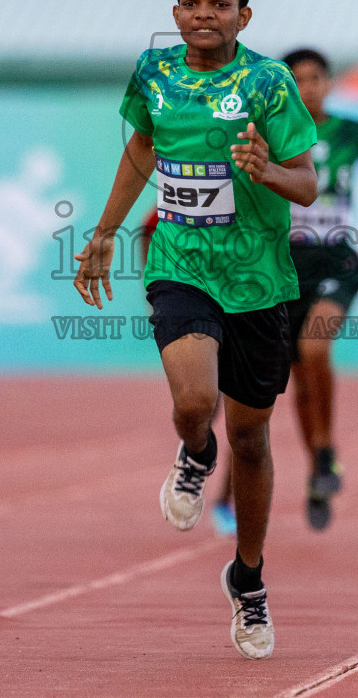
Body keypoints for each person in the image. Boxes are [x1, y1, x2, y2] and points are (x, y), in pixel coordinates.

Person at [74, 0, 317, 660]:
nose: (204, 15)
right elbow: (143, 149)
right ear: (175, 11)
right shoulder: (155, 73)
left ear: (244, 14)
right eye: (192, 2)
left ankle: (247, 578)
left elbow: (305, 185)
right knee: (193, 401)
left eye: (219, 3)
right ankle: (192, 450)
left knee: (252, 438)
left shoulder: (270, 83)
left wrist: (263, 168)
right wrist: (104, 233)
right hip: (179, 262)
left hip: (259, 280)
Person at [280, 47, 358, 531]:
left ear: (328, 83)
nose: (307, 87)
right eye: (297, 79)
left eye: (315, 78)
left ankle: (326, 448)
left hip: (335, 262)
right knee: (299, 384)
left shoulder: (353, 131)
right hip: (282, 267)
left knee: (315, 349)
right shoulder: (273, 130)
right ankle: (318, 465)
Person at [141, 207, 236, 538]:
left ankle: (226, 502)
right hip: (196, 299)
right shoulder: (168, 208)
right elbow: (148, 233)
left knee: (247, 423)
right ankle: (197, 455)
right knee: (203, 404)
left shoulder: (263, 184)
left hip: (251, 297)